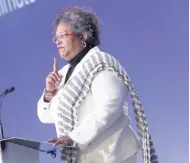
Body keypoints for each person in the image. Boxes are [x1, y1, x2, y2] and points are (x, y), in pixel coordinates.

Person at [37, 6, 158, 163]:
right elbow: (46, 116)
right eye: (56, 37)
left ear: (83, 36)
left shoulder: (101, 64)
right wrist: (49, 93)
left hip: (114, 155)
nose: (57, 41)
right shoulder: (63, 73)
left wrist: (73, 137)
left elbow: (110, 107)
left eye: (63, 35)